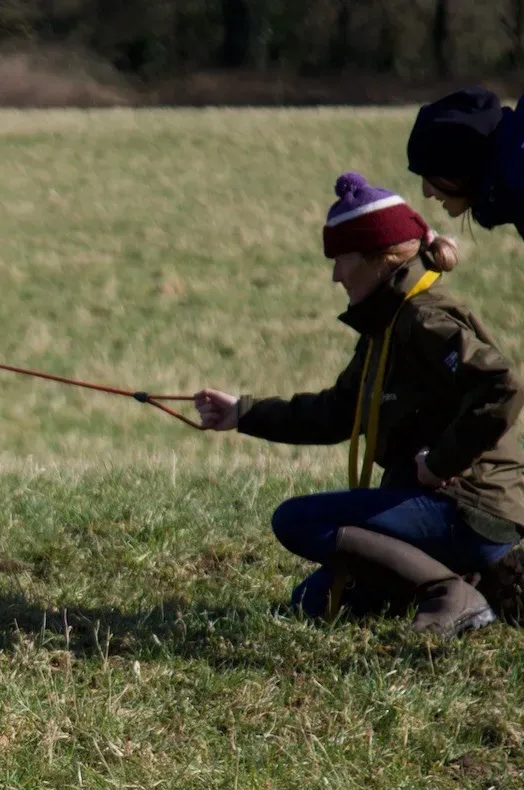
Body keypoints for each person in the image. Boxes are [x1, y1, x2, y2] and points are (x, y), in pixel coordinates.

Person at [194, 171, 524, 637]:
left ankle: (450, 593)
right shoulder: (385, 327)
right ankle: (477, 582)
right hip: (431, 506)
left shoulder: (423, 320)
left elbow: (502, 384)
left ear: (378, 258)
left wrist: (441, 461)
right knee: (313, 601)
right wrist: (243, 413)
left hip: (469, 507)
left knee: (297, 519)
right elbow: (338, 412)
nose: (334, 275)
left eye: (340, 260)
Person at [406, 86, 524, 239]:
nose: (426, 192)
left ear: (459, 163)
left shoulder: (518, 182)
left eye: (431, 175)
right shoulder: (510, 181)